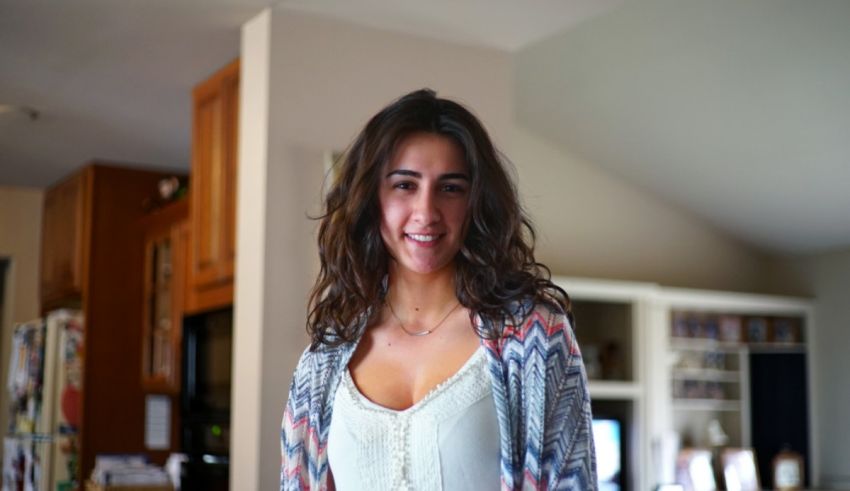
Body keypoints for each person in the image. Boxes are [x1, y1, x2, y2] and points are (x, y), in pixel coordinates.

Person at [281, 89, 596, 491]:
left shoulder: (535, 338)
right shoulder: (323, 360)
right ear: (371, 198)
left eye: (450, 188)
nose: (426, 212)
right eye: (405, 185)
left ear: (476, 202)